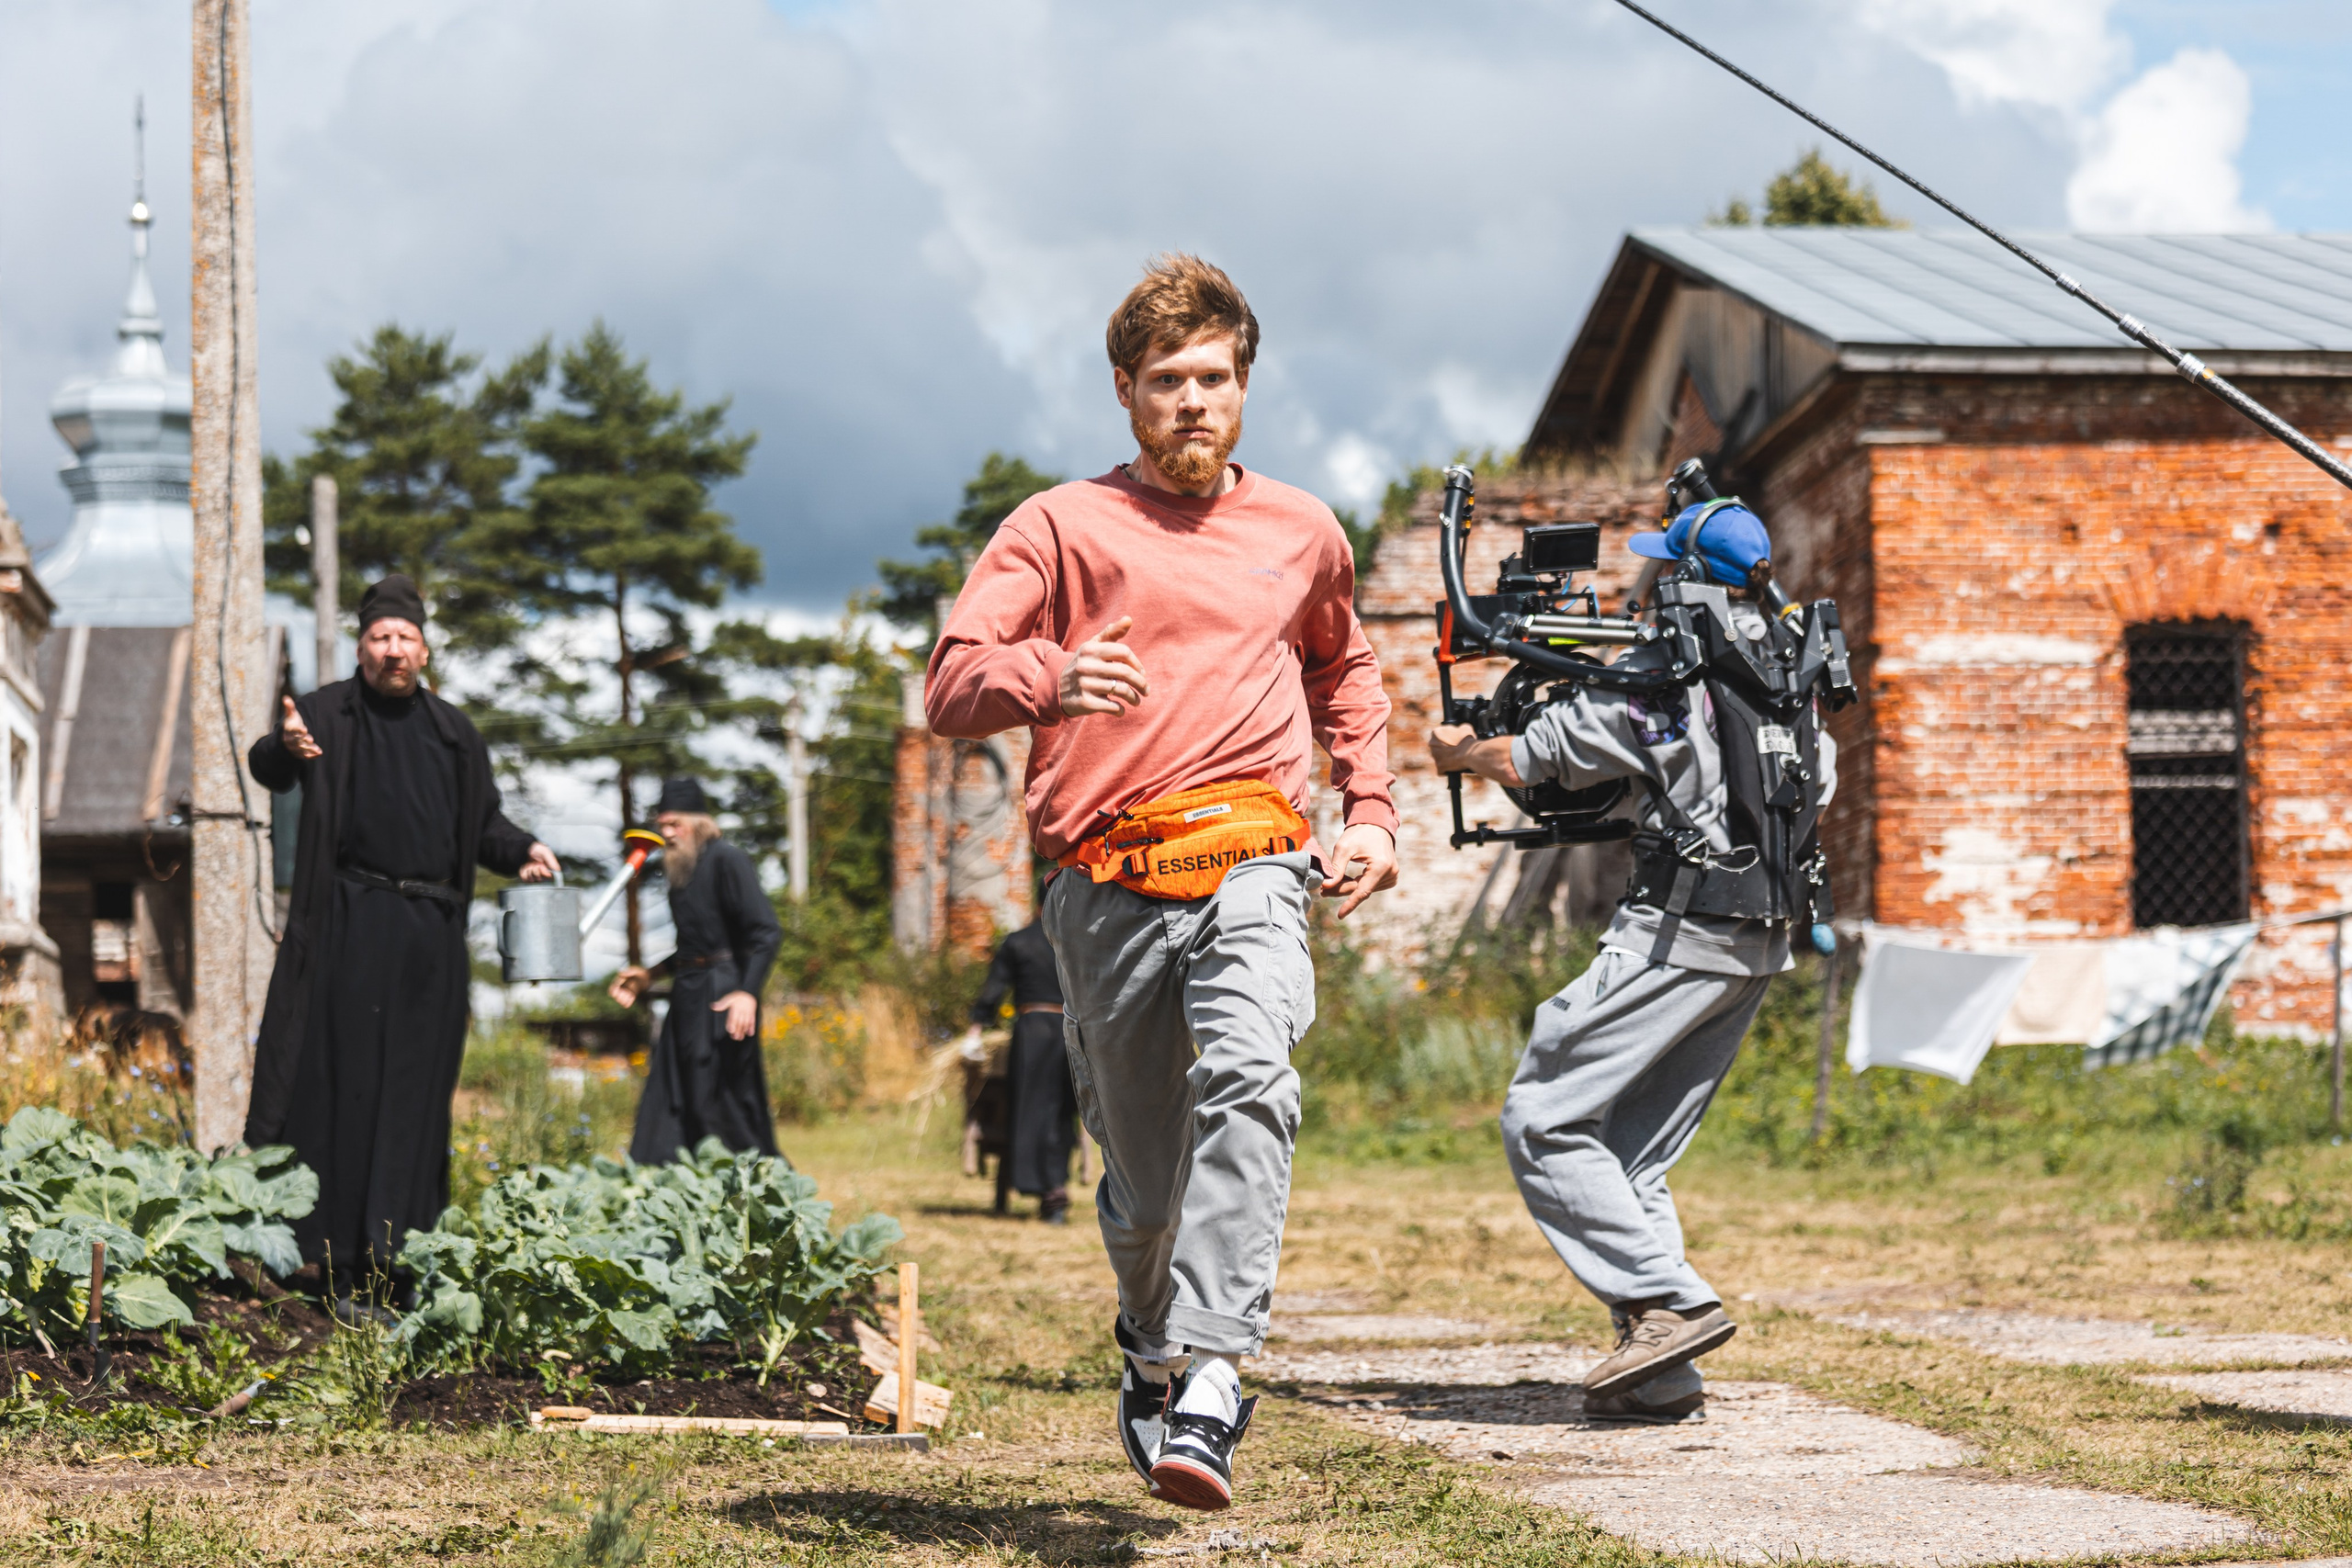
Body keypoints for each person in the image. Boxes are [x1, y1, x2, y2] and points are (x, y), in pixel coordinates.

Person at [925, 254, 1399, 1510]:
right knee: (1142, 1186)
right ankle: (1150, 1343)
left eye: (1217, 378)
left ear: (1245, 388)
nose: (1195, 400)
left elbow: (1347, 674)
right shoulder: (1061, 526)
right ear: (1126, 392)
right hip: (1107, 883)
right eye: (1168, 381)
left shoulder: (1302, 530)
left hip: (1253, 854)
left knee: (1254, 1071)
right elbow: (951, 683)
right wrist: (1050, 675)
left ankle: (1215, 1377)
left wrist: (1371, 810)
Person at [1428, 500, 1837, 1424]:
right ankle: (1663, 1378)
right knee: (1630, 1157)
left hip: (1677, 929)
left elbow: (1538, 756)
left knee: (1542, 1116)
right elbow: (1825, 779)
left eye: (1662, 565)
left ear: (1685, 574)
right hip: (1761, 937)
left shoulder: (1661, 677)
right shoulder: (1791, 672)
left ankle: (1669, 1305)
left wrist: (1456, 750)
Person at [244, 574, 560, 1303]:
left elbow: (484, 826)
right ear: (362, 645)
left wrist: (523, 850)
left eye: (405, 638)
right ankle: (330, 1258)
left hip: (429, 940)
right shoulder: (323, 713)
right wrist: (286, 745)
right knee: (347, 1090)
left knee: (414, 1097)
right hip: (350, 927)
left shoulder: (455, 734)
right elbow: (270, 767)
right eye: (381, 637)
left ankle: (398, 1259)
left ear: (424, 648)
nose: (393, 650)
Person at [610, 779, 785, 1164]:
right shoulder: (680, 871)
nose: (666, 834)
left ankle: (754, 1184)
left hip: (724, 992)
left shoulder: (728, 860)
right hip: (687, 994)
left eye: (675, 824)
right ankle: (664, 1181)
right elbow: (693, 950)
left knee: (721, 1097)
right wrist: (649, 976)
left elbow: (765, 931)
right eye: (663, 825)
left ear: (698, 822)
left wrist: (747, 993)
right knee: (671, 1092)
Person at [964, 915, 1075, 1223]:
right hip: (1072, 1033)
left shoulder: (1020, 940)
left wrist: (975, 1030)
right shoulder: (1076, 937)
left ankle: (1040, 1188)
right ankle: (1055, 1190)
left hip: (1033, 1034)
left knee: (1030, 1110)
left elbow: (994, 989)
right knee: (1062, 1113)